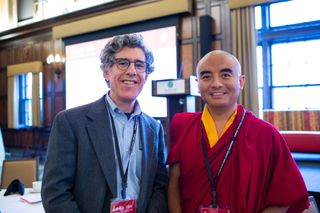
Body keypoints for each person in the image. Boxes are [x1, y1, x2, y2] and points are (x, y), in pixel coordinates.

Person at [167, 50, 309, 213]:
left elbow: (284, 198)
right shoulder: (182, 125)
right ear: (198, 85)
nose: (216, 83)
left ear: (241, 82)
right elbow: (174, 186)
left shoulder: (265, 134)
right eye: (206, 77)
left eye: (225, 75)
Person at [41, 34, 168, 213]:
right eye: (123, 63)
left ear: (146, 76)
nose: (132, 71)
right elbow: (55, 193)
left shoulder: (154, 129)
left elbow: (159, 186)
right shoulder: (70, 122)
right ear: (107, 71)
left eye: (139, 65)